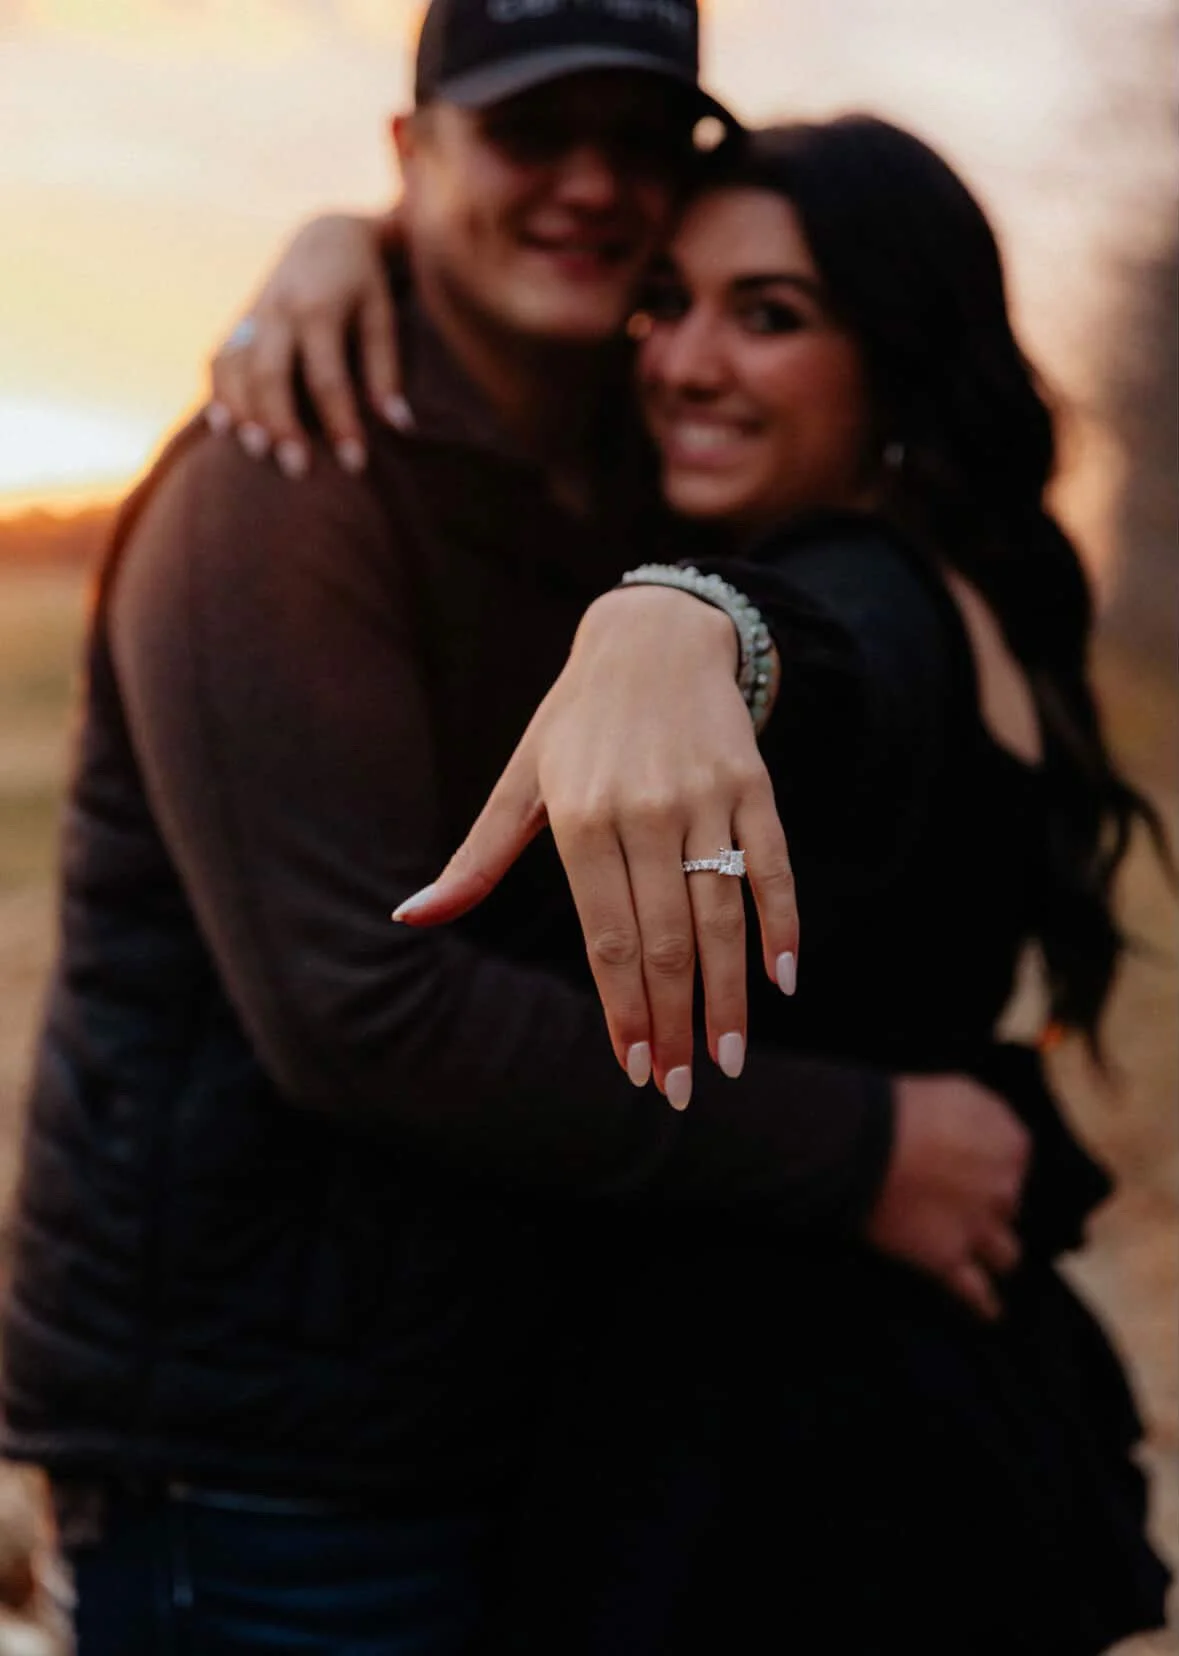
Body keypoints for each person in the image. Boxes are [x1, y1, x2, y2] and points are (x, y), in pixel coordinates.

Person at [0, 4, 1042, 1653]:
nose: (586, 186)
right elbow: (362, 1008)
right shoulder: (282, 480)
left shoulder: (623, 472)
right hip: (274, 1470)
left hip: (504, 1421)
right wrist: (859, 1147)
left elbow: (817, 636)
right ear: (414, 157)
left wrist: (682, 608)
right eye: (526, 129)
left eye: (633, 140)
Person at [201, 112, 1172, 1653]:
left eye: (769, 315)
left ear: (899, 356)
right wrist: (342, 241)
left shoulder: (881, 602)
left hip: (782, 1493)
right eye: (665, 304)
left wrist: (681, 621)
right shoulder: (980, 588)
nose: (682, 359)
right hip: (885, 1420)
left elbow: (834, 658)